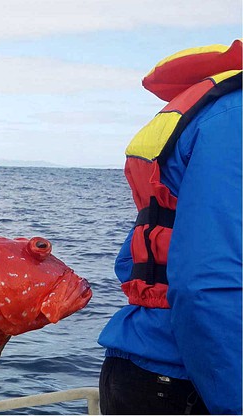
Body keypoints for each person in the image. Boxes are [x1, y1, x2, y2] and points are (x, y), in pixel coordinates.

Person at [98, 39, 242, 414]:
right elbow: (205, 284)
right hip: (183, 384)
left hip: (152, 367)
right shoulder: (236, 118)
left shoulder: (222, 113)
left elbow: (133, 260)